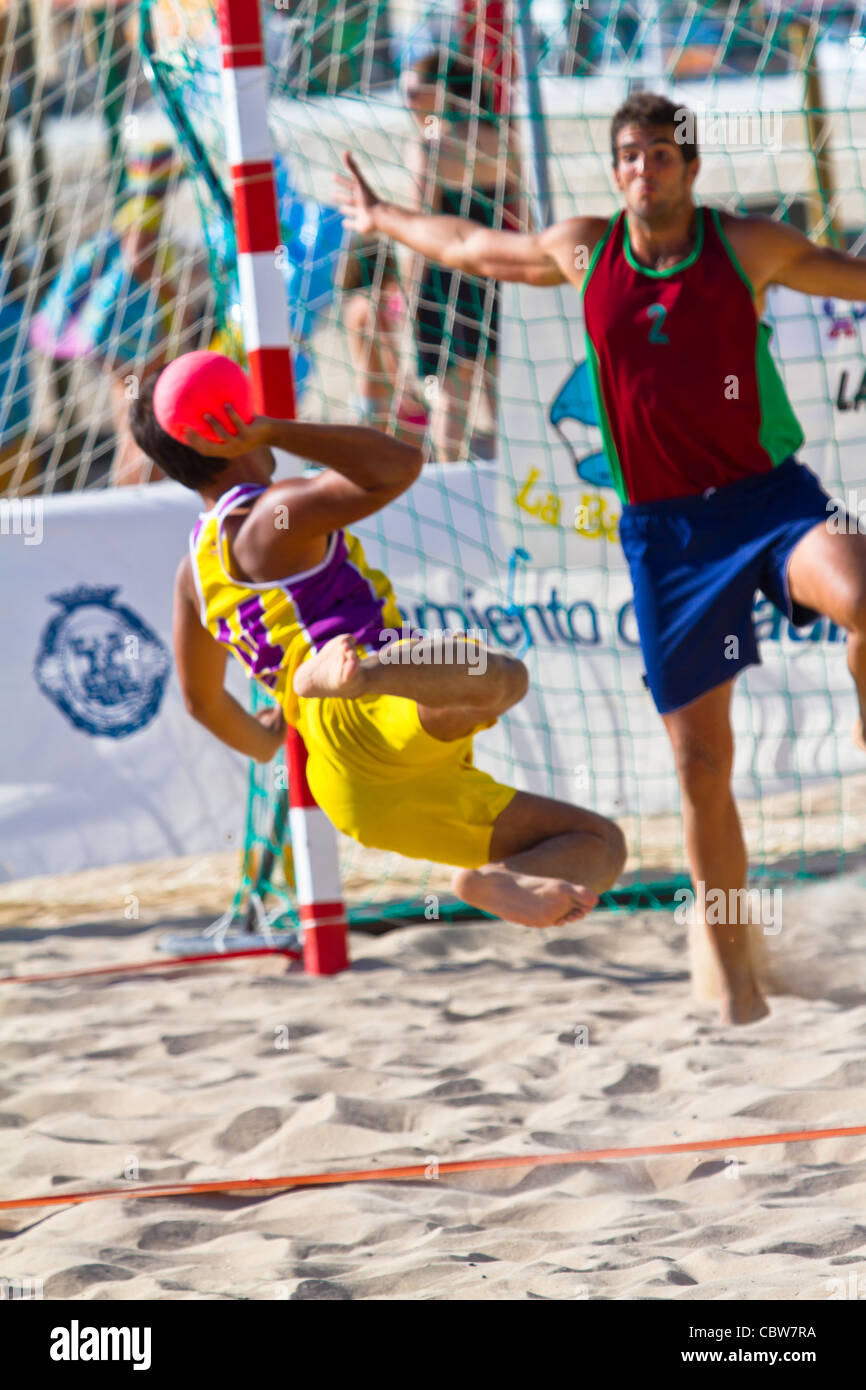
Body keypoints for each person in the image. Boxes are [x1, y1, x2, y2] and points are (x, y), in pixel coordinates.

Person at [338, 89, 866, 1024]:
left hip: (768, 500)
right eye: (629, 155)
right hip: (667, 536)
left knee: (862, 589)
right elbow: (468, 247)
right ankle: (737, 977)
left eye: (661, 155)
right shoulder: (587, 249)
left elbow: (853, 277)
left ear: (691, 167)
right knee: (701, 764)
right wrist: (381, 217)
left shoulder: (744, 245)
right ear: (614, 167)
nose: (642, 169)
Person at [128, 369, 626, 929]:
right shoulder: (269, 515)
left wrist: (267, 739)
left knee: (600, 842)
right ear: (234, 422)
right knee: (502, 677)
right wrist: (271, 429)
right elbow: (400, 465)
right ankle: (351, 674)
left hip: (357, 792)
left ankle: (495, 880)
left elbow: (203, 703)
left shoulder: (191, 574)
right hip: (360, 708)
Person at [400, 51, 522, 461]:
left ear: (444, 92)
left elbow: (419, 229)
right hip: (500, 271)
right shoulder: (502, 138)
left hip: (445, 278)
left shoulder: (430, 147)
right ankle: (520, 483)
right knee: (502, 393)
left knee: (452, 399)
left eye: (415, 91)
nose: (407, 100)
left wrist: (410, 294)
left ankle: (448, 489)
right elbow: (522, 216)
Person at [337, 232, 427, 440]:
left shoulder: (353, 304)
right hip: (380, 402)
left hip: (362, 397)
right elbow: (388, 350)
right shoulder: (372, 305)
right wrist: (407, 390)